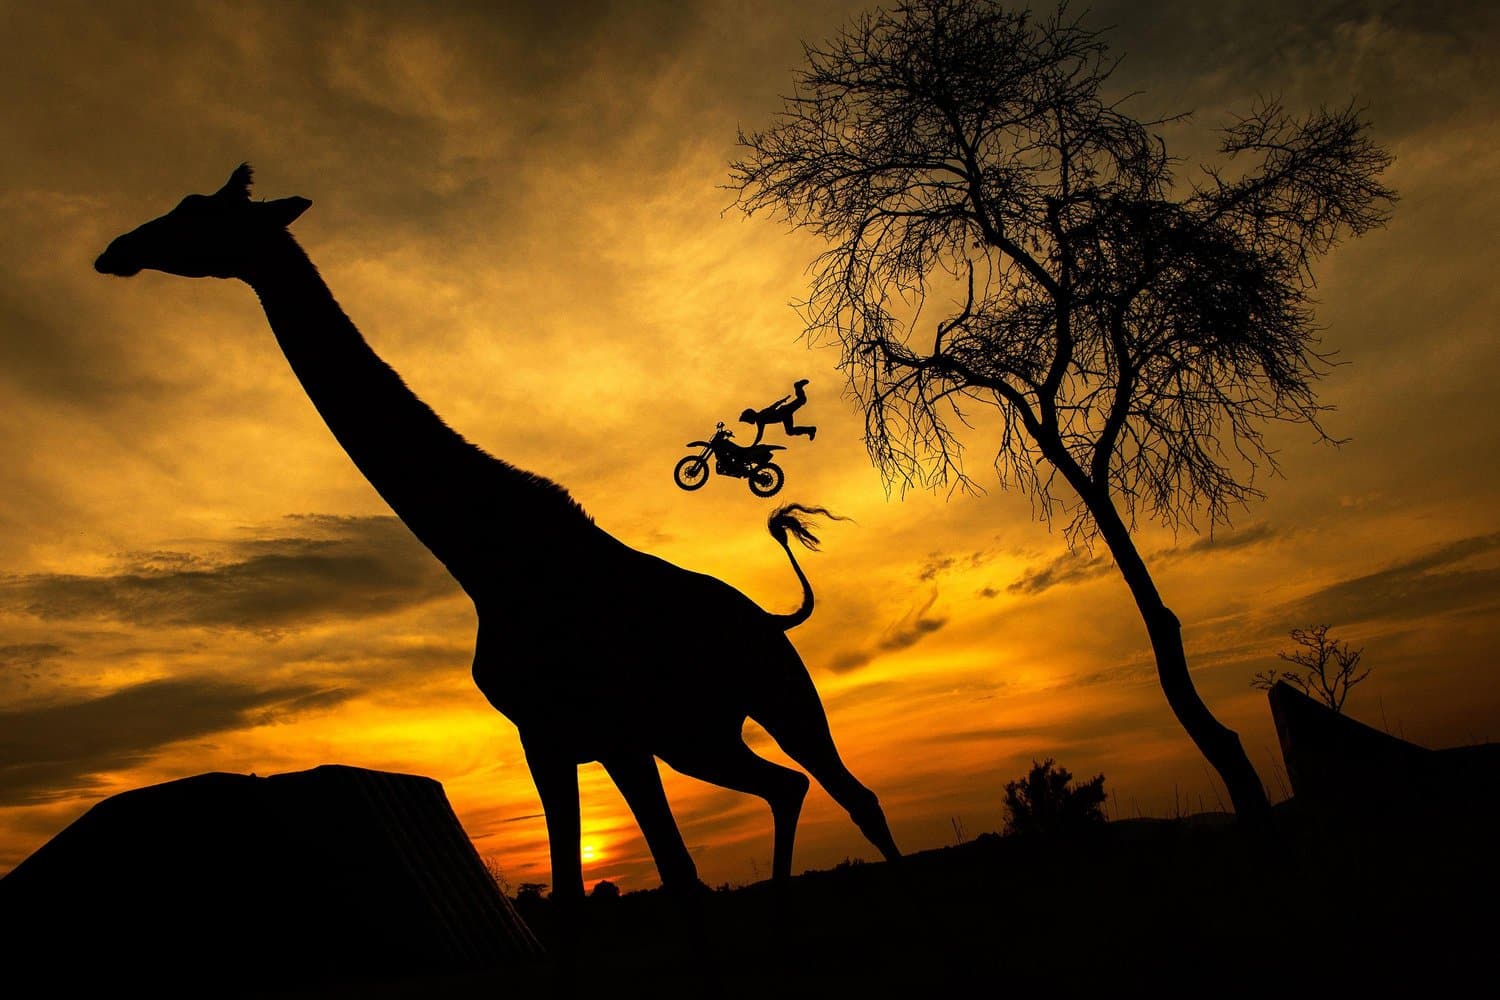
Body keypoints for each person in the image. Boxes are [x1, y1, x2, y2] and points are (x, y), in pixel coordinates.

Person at [740, 379, 817, 445]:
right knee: (790, 431)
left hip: (784, 411)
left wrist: (753, 445)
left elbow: (759, 435)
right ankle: (810, 430)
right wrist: (781, 401)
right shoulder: (761, 416)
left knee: (802, 400)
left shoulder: (760, 419)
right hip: (784, 414)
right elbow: (773, 406)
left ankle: (798, 387)